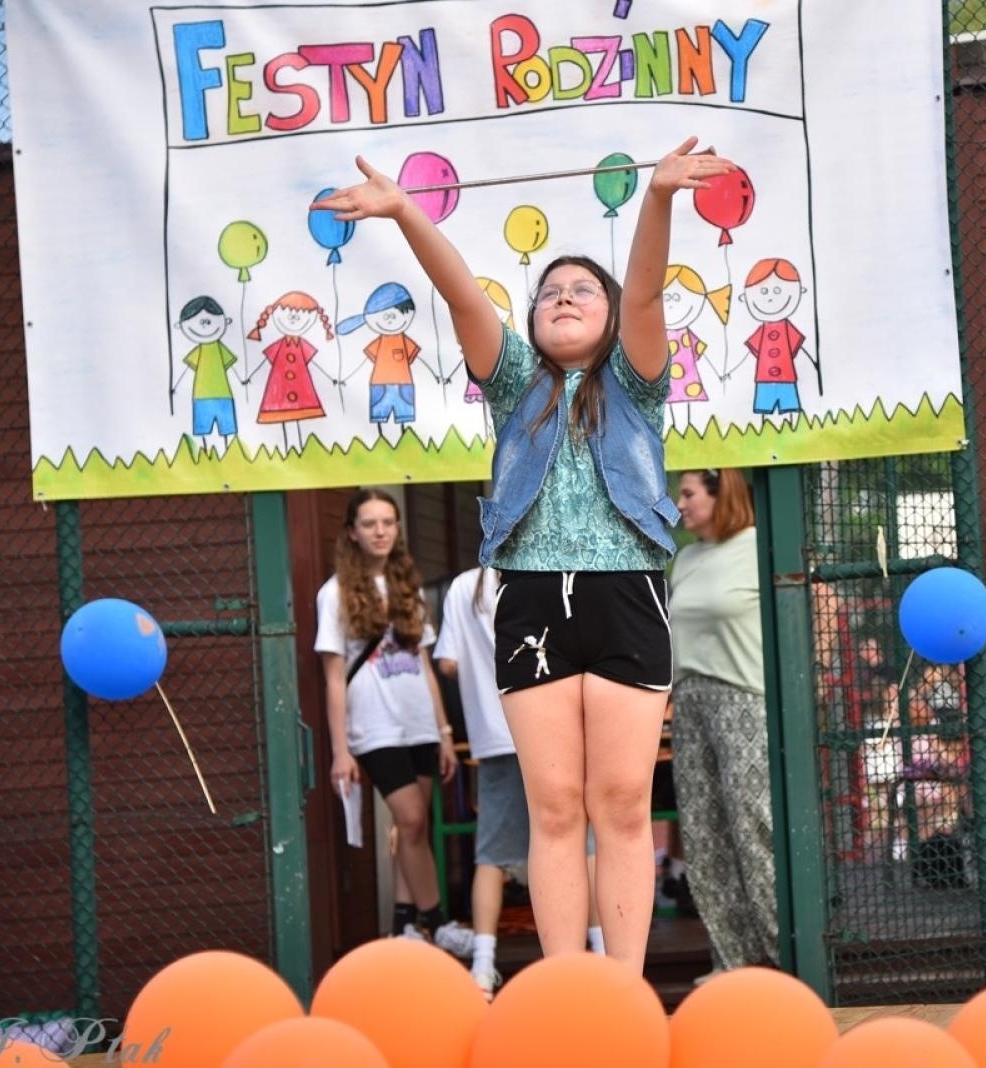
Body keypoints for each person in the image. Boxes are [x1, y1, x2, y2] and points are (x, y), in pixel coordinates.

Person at [315, 136, 735, 972]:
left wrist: (657, 200)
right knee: (553, 809)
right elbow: (463, 295)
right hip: (533, 603)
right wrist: (403, 212)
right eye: (550, 292)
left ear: (612, 319)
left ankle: (622, 985)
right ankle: (568, 987)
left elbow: (647, 289)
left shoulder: (637, 383)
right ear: (533, 321)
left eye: (585, 289)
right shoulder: (513, 384)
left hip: (626, 600)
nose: (566, 297)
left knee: (619, 805)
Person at [432, 565, 609, 999]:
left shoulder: (461, 587)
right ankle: (602, 956)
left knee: (492, 852)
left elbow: (449, 663)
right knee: (579, 841)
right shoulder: (545, 574)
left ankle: (482, 966)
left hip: (493, 734)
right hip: (553, 728)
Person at [316, 488, 473, 957]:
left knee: (414, 830)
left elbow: (424, 664)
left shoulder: (408, 586)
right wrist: (341, 750)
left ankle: (402, 924)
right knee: (410, 818)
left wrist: (444, 733)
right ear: (352, 532)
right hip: (374, 725)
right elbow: (333, 678)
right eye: (370, 524)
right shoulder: (335, 593)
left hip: (419, 723)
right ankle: (438, 921)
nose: (381, 531)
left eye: (388, 522)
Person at [668, 468, 778, 977]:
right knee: (705, 834)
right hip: (689, 704)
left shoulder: (760, 546)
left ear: (721, 491)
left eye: (689, 493)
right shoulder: (685, 560)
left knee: (754, 827)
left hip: (744, 701)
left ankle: (782, 954)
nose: (680, 503)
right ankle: (734, 960)